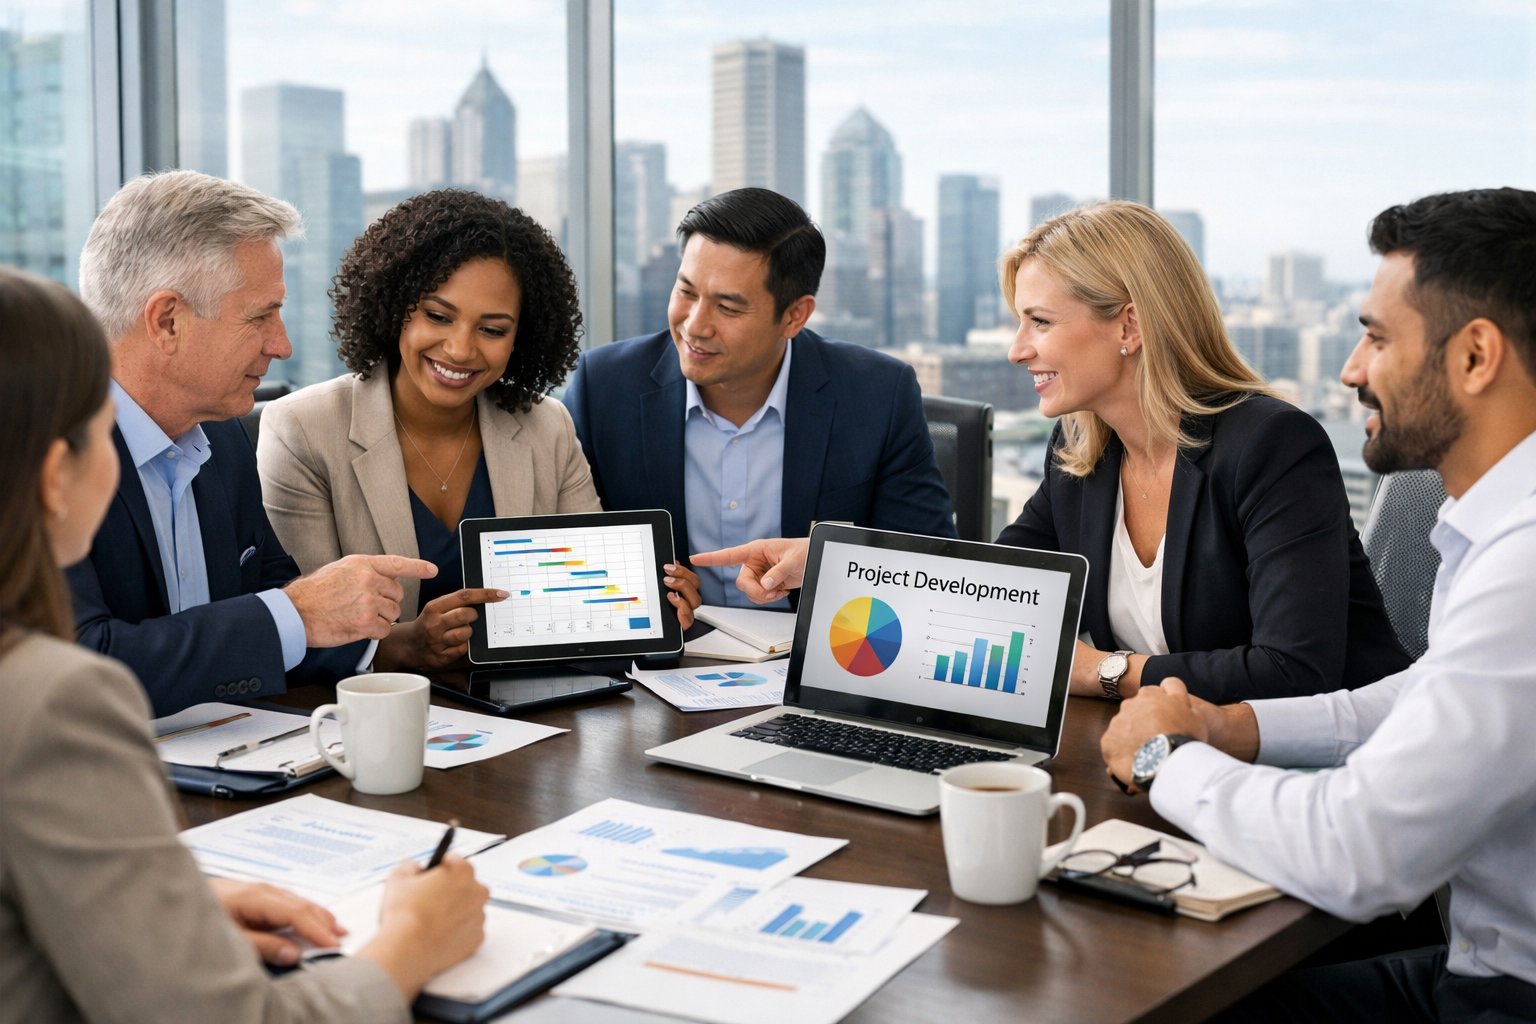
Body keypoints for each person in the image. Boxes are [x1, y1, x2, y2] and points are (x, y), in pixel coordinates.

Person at [0, 266, 488, 1023]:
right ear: (57, 475)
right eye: (101, 429)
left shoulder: (220, 442)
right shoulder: (51, 703)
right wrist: (413, 941)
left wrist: (165, 906)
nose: (284, 344)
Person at [1100, 188, 1536, 1021]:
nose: (1351, 369)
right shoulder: (1491, 524)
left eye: (1376, 337)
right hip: (1470, 967)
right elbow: (1436, 688)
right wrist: (1234, 728)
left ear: (1476, 356)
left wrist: (1166, 762)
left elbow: (1359, 852)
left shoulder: (1528, 560)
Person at [698, 202, 1410, 705]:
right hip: (1181, 765)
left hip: (1323, 794)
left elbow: (1295, 672)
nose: (1017, 350)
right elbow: (987, 587)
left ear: (1128, 324)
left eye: (1040, 321)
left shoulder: (1272, 446)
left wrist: (1100, 672)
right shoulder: (1083, 450)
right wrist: (832, 560)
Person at [255, 191, 700, 668]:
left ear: (521, 339)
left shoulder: (545, 426)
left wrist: (650, 600)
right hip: (374, 714)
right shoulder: (303, 428)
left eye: (492, 330)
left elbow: (584, 603)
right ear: (395, 304)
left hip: (532, 712)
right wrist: (407, 644)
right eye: (438, 316)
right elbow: (304, 625)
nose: (461, 349)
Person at [67, 170, 439, 716]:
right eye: (261, 315)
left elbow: (269, 608)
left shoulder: (224, 435)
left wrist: (387, 642)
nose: (282, 344)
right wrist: (296, 612)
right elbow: (81, 669)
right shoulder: (37, 452)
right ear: (167, 320)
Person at [564, 187, 956, 610]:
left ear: (794, 316)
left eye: (728, 308)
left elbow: (932, 564)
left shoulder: (877, 393)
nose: (695, 326)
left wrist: (829, 563)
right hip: (666, 661)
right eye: (686, 292)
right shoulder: (604, 387)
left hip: (813, 659)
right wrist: (641, 600)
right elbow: (560, 555)